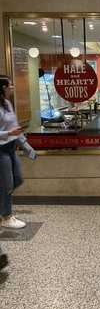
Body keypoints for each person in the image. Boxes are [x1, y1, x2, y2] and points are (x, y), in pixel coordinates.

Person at [0, 75, 36, 230]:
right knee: (7, 183)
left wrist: (26, 147)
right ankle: (6, 216)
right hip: (0, 150)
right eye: (10, 85)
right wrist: (8, 133)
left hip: (10, 148)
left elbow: (16, 128)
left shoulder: (7, 103)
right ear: (3, 88)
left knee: (17, 179)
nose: (12, 87)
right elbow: (11, 131)